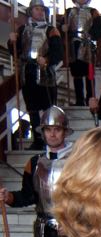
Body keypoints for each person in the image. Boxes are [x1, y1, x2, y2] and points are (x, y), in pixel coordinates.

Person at [0, 106, 73, 237]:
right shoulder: (33, 163)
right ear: (43, 132)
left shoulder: (78, 160)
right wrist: (9, 197)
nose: (52, 134)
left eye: (57, 129)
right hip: (44, 230)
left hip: (72, 229)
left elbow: (89, 198)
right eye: (48, 130)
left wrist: (76, 223)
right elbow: (29, 195)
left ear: (64, 132)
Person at [9, 0, 62, 149]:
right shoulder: (22, 30)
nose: (40, 12)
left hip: (45, 73)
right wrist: (11, 41)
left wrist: (47, 59)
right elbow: (16, 50)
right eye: (37, 9)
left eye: (42, 10)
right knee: (32, 108)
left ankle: (50, 139)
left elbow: (58, 52)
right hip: (28, 72)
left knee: (48, 108)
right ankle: (38, 140)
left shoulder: (51, 30)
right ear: (30, 11)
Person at [63, 0, 101, 107]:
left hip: (88, 44)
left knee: (89, 73)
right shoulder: (68, 12)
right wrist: (64, 29)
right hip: (73, 45)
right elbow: (62, 30)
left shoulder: (93, 12)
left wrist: (90, 36)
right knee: (76, 74)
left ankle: (90, 98)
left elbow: (99, 30)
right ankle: (79, 100)